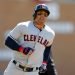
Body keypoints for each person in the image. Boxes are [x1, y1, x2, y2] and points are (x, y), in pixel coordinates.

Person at [4, 4, 57, 75]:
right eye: (39, 13)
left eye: (45, 14)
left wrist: (44, 63)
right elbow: (8, 41)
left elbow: (48, 47)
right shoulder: (23, 26)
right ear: (34, 15)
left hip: (33, 71)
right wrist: (21, 49)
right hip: (15, 68)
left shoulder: (50, 33)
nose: (42, 16)